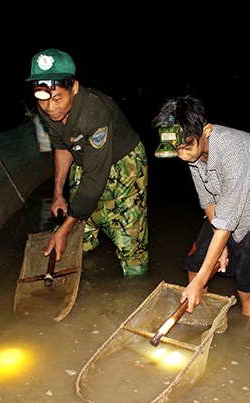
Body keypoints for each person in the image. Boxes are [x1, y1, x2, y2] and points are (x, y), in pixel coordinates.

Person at [151, 95, 250, 315]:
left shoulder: (234, 154)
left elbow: (226, 224)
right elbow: (207, 199)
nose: (182, 156)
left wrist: (220, 239)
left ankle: (249, 335)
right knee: (195, 266)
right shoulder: (190, 150)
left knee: (247, 287)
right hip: (226, 205)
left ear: (206, 132)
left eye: (186, 148)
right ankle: (202, 321)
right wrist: (220, 246)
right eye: (177, 149)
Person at [26, 48, 149, 277]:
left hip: (124, 165)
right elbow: (62, 148)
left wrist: (63, 228)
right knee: (82, 232)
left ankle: (134, 287)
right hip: (84, 159)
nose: (50, 108)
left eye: (58, 98)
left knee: (130, 242)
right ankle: (84, 259)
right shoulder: (47, 107)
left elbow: (94, 178)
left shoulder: (95, 114)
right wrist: (58, 193)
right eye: (43, 100)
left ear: (74, 88)